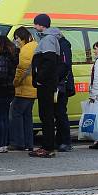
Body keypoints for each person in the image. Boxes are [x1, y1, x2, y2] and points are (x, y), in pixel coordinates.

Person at [30, 14, 61, 158]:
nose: (34, 27)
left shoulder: (48, 39)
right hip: (48, 83)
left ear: (41, 25)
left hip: (46, 84)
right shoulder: (48, 38)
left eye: (36, 24)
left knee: (46, 115)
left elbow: (49, 62)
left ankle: (48, 147)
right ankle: (48, 145)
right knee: (46, 115)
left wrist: (40, 78)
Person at [9, 27, 37, 152]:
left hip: (24, 88)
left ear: (23, 38)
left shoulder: (25, 50)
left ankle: (18, 142)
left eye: (17, 38)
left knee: (16, 114)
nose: (16, 41)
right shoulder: (36, 45)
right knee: (27, 117)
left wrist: (15, 82)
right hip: (33, 89)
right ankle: (29, 143)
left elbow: (21, 69)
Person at [55, 31, 75, 152]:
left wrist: (55, 77)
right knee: (58, 114)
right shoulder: (62, 45)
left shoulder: (63, 46)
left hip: (62, 86)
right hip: (62, 84)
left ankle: (66, 141)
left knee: (61, 113)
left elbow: (64, 66)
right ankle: (60, 140)